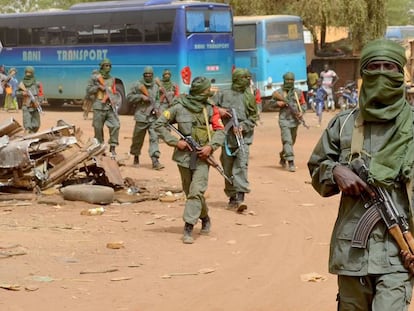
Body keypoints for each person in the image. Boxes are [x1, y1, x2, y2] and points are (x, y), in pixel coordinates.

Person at [307, 39, 414, 311]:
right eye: (373, 67)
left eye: (389, 67)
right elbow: (318, 168)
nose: (380, 74)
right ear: (363, 75)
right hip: (352, 251)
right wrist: (335, 170)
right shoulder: (343, 125)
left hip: (400, 253)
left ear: (401, 73)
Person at [154, 76, 225, 244]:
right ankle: (205, 216)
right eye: (207, 91)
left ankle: (188, 227)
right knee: (190, 192)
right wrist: (175, 142)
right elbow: (158, 125)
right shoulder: (179, 107)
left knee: (196, 191)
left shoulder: (210, 109)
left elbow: (220, 130)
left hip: (203, 157)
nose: (208, 93)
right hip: (184, 157)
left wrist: (211, 147)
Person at [215, 68, 258, 212]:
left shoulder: (249, 96)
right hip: (226, 136)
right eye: (243, 78)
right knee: (227, 166)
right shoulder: (223, 93)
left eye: (248, 78)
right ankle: (232, 196)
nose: (246, 81)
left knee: (241, 166)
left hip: (243, 137)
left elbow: (254, 117)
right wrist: (219, 111)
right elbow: (210, 107)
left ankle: (240, 198)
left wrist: (243, 126)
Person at [127, 66, 164, 170]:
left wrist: (158, 109)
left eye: (150, 75)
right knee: (137, 138)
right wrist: (140, 97)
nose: (148, 76)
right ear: (143, 75)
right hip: (141, 116)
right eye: (146, 75)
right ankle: (136, 156)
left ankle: (155, 160)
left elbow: (157, 99)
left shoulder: (156, 86)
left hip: (153, 117)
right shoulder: (137, 85)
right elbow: (129, 97)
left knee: (154, 138)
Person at [271, 72, 306, 172]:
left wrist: (301, 112)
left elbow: (303, 104)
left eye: (291, 80)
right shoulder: (279, 93)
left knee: (292, 141)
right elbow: (269, 104)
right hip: (284, 120)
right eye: (288, 80)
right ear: (284, 80)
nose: (289, 82)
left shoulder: (298, 92)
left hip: (295, 120)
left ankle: (283, 155)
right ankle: (291, 162)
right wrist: (278, 103)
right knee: (287, 140)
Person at [85, 58, 121, 156]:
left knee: (115, 125)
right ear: (101, 66)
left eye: (109, 66)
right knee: (98, 128)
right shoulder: (95, 78)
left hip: (109, 107)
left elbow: (113, 91)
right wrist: (98, 87)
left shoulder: (112, 79)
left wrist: (112, 98)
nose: (108, 68)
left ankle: (112, 147)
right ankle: (100, 147)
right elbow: (88, 90)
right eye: (106, 66)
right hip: (98, 106)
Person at [15, 66, 43, 133]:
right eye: (27, 72)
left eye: (30, 72)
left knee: (36, 124)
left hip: (35, 105)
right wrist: (22, 93)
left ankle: (33, 133)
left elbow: (41, 94)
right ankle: (28, 133)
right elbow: (16, 93)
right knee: (27, 123)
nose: (28, 74)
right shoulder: (22, 83)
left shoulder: (37, 83)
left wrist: (39, 102)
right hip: (26, 105)